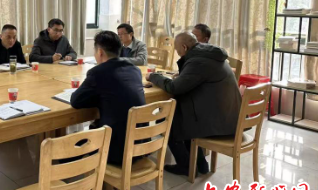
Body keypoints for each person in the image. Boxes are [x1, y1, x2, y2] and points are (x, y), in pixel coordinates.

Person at [147, 32, 241, 176]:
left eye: (177, 50)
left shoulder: (198, 62)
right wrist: (184, 75)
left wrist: (153, 76)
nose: (177, 53)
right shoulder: (207, 54)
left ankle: (186, 166)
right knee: (180, 114)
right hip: (227, 114)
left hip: (218, 120)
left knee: (167, 120)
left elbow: (174, 88)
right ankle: (200, 164)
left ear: (184, 47)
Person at [71, 31, 146, 165]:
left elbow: (75, 101)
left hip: (116, 152)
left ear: (100, 52)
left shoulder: (98, 72)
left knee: (71, 148)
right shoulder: (134, 70)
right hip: (140, 146)